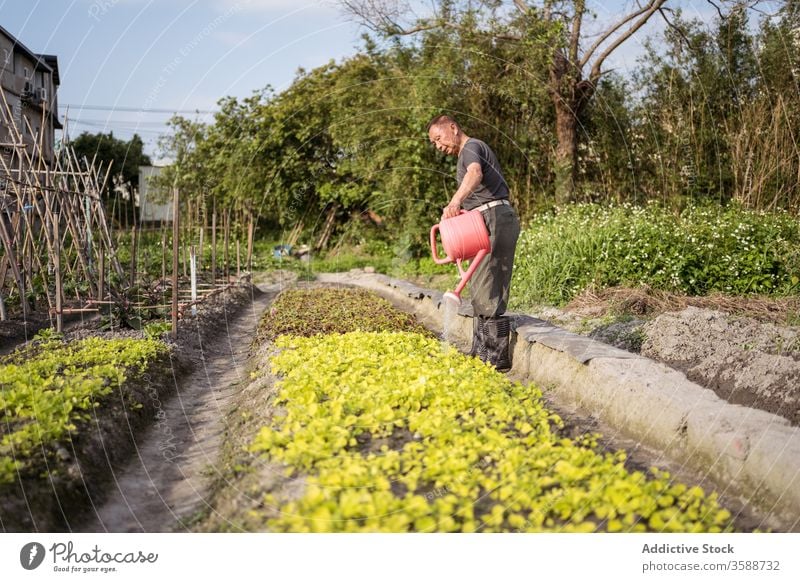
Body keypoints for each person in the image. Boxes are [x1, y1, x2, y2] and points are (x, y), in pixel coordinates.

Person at [427, 114, 521, 371]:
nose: (438, 146)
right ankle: (480, 351)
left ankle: (496, 358)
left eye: (439, 138)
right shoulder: (466, 151)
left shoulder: (471, 147)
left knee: (489, 285)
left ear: (453, 128)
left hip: (494, 218)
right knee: (479, 284)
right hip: (484, 221)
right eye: (434, 143)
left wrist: (455, 201)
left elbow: (475, 173)